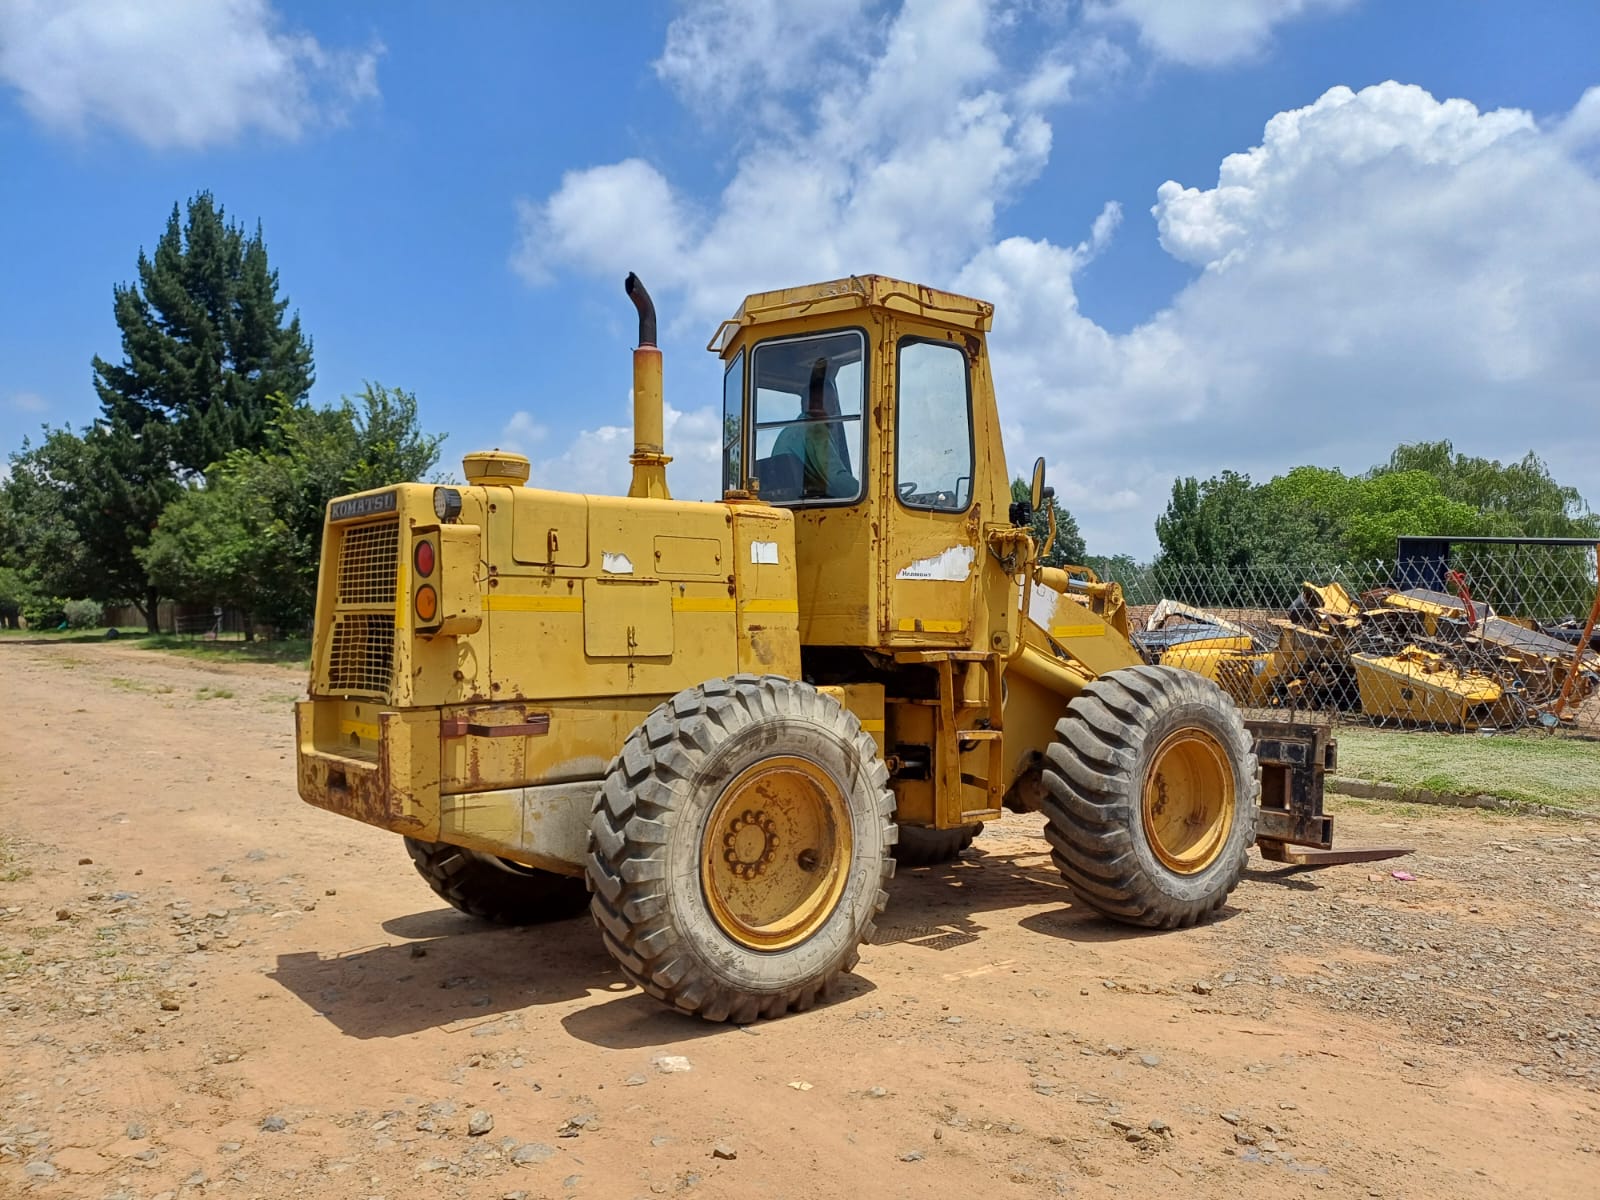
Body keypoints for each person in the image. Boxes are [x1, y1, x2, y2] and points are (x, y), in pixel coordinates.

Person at [771, 372, 858, 499]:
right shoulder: (816, 430)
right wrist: (867, 493)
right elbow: (836, 478)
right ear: (816, 404)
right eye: (832, 403)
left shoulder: (787, 433)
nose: (834, 410)